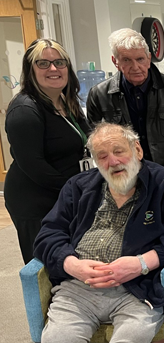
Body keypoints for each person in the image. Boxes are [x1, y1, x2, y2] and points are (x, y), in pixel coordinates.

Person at [33, 123, 164, 342]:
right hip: (77, 289)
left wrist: (142, 263)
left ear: (137, 149)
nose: (113, 162)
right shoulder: (77, 186)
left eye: (119, 151)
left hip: (137, 290)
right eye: (103, 156)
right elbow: (48, 234)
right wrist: (72, 265)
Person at [4, 38, 90, 264]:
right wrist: (76, 191)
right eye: (43, 63)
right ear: (30, 70)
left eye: (59, 63)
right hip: (35, 201)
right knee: (44, 265)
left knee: (69, 258)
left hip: (63, 196)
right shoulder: (24, 109)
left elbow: (88, 138)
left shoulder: (65, 101)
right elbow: (34, 166)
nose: (53, 69)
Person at [86, 28, 164, 185]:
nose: (135, 66)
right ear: (115, 61)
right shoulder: (99, 95)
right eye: (126, 60)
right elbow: (97, 145)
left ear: (149, 58)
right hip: (125, 179)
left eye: (140, 59)